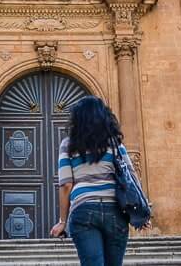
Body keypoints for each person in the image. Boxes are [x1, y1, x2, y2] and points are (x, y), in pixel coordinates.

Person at [50, 96, 140, 266]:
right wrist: (140, 210)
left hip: (83, 209)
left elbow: (66, 185)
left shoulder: (68, 145)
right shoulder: (115, 144)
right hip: (115, 211)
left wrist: (63, 221)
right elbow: (132, 177)